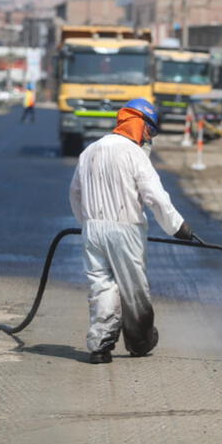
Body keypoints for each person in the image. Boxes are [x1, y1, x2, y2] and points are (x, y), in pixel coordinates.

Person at [69, 98, 193, 364]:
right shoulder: (133, 153)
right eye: (151, 131)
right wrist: (178, 227)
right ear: (141, 125)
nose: (150, 138)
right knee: (134, 287)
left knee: (101, 286)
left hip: (92, 230)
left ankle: (100, 345)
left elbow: (75, 193)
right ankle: (140, 341)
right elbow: (156, 198)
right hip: (125, 229)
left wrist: (86, 222)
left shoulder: (90, 150)